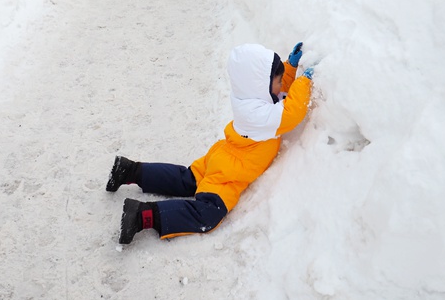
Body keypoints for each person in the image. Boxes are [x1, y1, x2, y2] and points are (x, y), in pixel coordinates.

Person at [106, 42, 315, 244]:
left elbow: (276, 91)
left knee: (187, 179)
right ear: (261, 86)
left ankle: (130, 170)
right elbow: (292, 112)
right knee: (208, 213)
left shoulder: (249, 100)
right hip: (229, 174)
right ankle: (143, 215)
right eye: (279, 81)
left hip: (222, 154)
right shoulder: (261, 115)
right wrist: (304, 82)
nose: (281, 88)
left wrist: (290, 66)